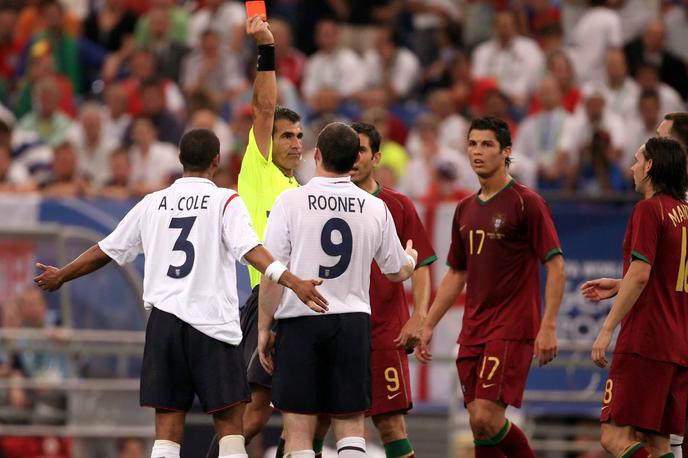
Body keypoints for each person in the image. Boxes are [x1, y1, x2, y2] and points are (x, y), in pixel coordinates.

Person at [33, 128, 327, 458]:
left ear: (179, 160)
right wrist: (293, 280)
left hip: (165, 325)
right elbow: (252, 250)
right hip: (212, 324)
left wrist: (62, 275)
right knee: (230, 426)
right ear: (216, 161)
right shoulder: (225, 201)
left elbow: (105, 250)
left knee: (168, 429)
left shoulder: (152, 203)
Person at [258, 122, 418, 458]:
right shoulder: (375, 207)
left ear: (316, 155)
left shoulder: (290, 201)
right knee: (350, 427)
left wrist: (264, 327)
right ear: (352, 161)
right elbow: (396, 271)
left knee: (299, 427)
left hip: (301, 319)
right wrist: (412, 260)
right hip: (352, 322)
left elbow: (273, 272)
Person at [417, 116, 566, 457]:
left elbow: (556, 265)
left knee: (486, 415)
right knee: (478, 424)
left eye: (487, 145)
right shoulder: (465, 209)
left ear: (506, 152)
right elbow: (456, 274)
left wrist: (549, 325)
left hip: (511, 326)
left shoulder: (527, 203)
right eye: (473, 144)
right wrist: (427, 324)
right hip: (473, 329)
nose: (478, 152)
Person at [206, 14, 305, 458]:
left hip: (301, 306)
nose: (295, 143)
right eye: (286, 136)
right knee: (256, 413)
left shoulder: (301, 192)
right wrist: (266, 48)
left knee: (304, 413)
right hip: (263, 303)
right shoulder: (259, 169)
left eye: (300, 136)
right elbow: (264, 107)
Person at [310, 122, 437, 458]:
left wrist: (419, 317)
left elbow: (421, 264)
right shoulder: (318, 202)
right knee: (315, 422)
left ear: (377, 157)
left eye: (362, 149)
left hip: (384, 333)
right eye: (350, 149)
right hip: (331, 325)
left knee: (390, 425)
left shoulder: (397, 206)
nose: (355, 156)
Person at [581, 136, 688, 458]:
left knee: (614, 436)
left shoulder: (648, 210)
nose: (632, 167)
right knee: (656, 443)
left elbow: (641, 274)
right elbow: (665, 274)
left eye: (638, 160)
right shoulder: (685, 214)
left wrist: (607, 328)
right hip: (678, 345)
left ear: (651, 166)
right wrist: (620, 283)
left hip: (646, 341)